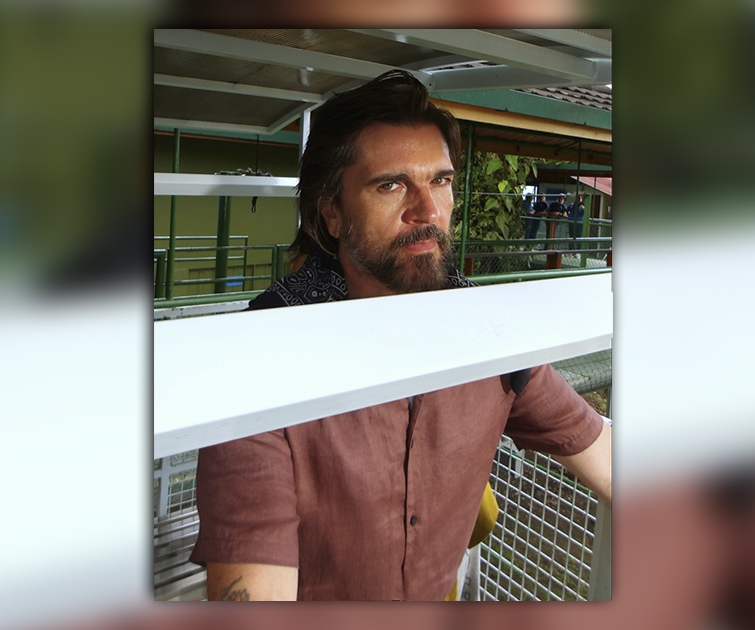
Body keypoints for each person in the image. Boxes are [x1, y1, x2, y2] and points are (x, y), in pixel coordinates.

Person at [189, 69, 612, 601]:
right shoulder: (262, 357)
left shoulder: (487, 334)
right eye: (391, 185)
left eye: (441, 181)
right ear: (332, 213)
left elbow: (603, 452)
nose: (428, 211)